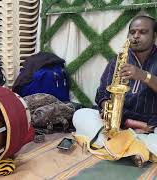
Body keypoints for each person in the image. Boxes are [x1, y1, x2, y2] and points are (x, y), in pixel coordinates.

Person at [73, 15, 157, 164]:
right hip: (119, 122)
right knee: (80, 115)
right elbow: (101, 92)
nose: (136, 36)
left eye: (143, 32)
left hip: (151, 124)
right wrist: (107, 106)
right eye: (132, 32)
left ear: (154, 36)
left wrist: (143, 75)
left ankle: (118, 146)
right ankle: (134, 147)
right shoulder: (118, 60)